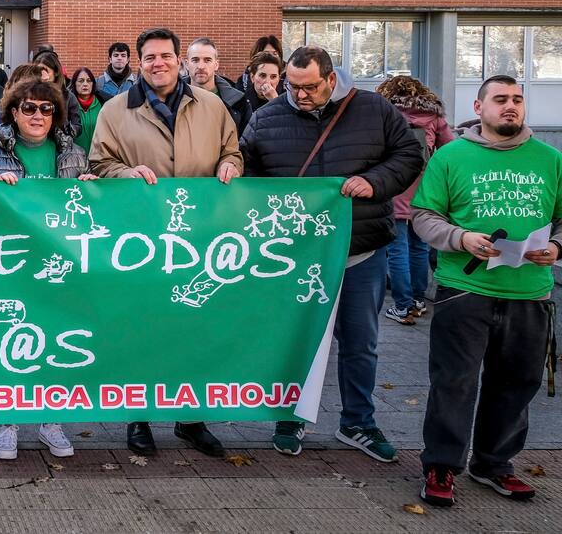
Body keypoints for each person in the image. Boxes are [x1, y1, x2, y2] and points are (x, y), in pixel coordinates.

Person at [239, 46, 423, 462]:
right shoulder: (267, 118)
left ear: (331, 78)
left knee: (360, 341)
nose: (300, 95)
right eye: (292, 86)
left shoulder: (374, 109)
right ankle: (290, 415)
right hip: (294, 256)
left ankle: (358, 421)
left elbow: (409, 155)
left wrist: (375, 181)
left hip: (360, 250)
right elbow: (248, 172)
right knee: (296, 338)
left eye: (309, 87)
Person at [88, 27, 242, 459]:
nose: (159, 63)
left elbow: (233, 150)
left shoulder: (212, 106)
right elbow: (99, 163)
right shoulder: (115, 110)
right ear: (140, 63)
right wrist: (126, 173)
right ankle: (138, 416)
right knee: (142, 326)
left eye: (166, 56)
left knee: (194, 327)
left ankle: (191, 418)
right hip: (142, 239)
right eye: (150, 57)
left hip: (198, 238)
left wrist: (231, 165)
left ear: (180, 61)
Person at [411, 75, 562, 508]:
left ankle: (494, 463)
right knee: (454, 381)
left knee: (517, 382)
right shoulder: (451, 156)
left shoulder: (550, 159)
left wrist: (555, 246)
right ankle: (442, 464)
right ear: (479, 108)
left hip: (529, 292)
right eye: (500, 99)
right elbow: (423, 216)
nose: (510, 106)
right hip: (465, 289)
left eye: (517, 99)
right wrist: (460, 238)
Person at [0, 76, 92, 462]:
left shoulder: (75, 156)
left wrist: (94, 188)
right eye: (29, 108)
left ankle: (50, 420)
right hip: (11, 267)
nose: (38, 115)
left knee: (54, 341)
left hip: (58, 266)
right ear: (13, 112)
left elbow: (89, 214)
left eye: (46, 108)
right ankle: (8, 422)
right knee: (12, 341)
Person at [376, 75, 455, 325]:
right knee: (420, 246)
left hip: (394, 185)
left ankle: (403, 306)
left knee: (396, 249)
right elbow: (450, 150)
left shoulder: (385, 113)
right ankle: (419, 300)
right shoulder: (434, 117)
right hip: (424, 189)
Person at [184, 38, 250, 135]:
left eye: (207, 60)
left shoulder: (238, 103)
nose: (201, 66)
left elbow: (245, 140)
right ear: (187, 64)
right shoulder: (172, 97)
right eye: (195, 60)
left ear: (216, 65)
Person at [32, 51, 82, 137]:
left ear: (55, 72)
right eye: (39, 72)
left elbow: (77, 127)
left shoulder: (68, 97)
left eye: (46, 71)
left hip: (61, 141)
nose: (42, 76)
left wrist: (63, 126)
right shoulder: (30, 95)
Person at [70, 67, 101, 154]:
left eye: (89, 81)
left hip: (98, 156)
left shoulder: (102, 104)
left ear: (93, 84)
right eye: (81, 81)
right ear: (74, 84)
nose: (85, 84)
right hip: (75, 157)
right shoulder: (68, 105)